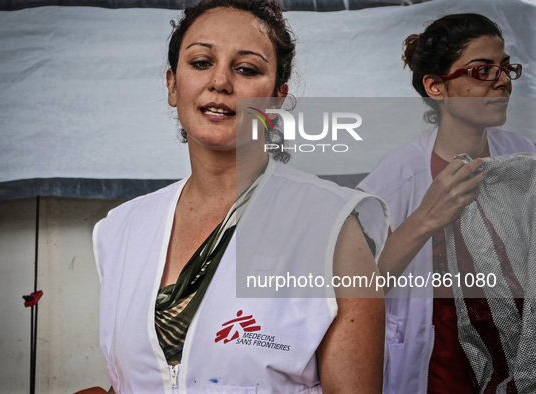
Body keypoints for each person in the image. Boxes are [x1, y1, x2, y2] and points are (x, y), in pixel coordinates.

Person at [92, 1, 387, 393]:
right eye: (200, 62)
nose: (220, 82)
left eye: (246, 69)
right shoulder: (121, 231)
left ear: (277, 100)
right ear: (172, 85)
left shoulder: (331, 229)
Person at [357, 13, 536, 394]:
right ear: (437, 87)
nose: (502, 81)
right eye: (482, 70)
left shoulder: (522, 157)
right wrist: (425, 219)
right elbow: (355, 288)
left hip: (513, 355)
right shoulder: (396, 178)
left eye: (505, 68)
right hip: (437, 365)